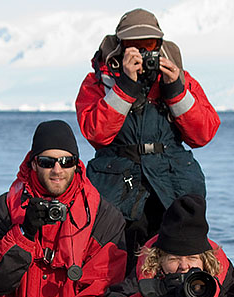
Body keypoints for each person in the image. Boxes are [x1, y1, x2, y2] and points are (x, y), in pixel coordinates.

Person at [75, 8, 220, 272]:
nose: (142, 52)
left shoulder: (180, 78)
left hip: (173, 184)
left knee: (178, 255)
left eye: (149, 45)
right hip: (118, 186)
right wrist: (125, 88)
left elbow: (203, 133)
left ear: (161, 45)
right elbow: (95, 133)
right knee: (118, 261)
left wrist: (175, 90)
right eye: (133, 45)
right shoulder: (99, 81)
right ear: (120, 46)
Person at [0, 120, 127, 297]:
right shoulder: (1, 211)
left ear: (77, 164)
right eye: (47, 162)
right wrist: (24, 233)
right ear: (33, 164)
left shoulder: (104, 217)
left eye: (66, 161)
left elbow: (104, 281)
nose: (57, 170)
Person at [93, 194, 234, 297]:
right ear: (159, 259)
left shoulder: (221, 274)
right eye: (174, 259)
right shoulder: (144, 274)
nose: (183, 266)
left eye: (192, 258)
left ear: (205, 260)